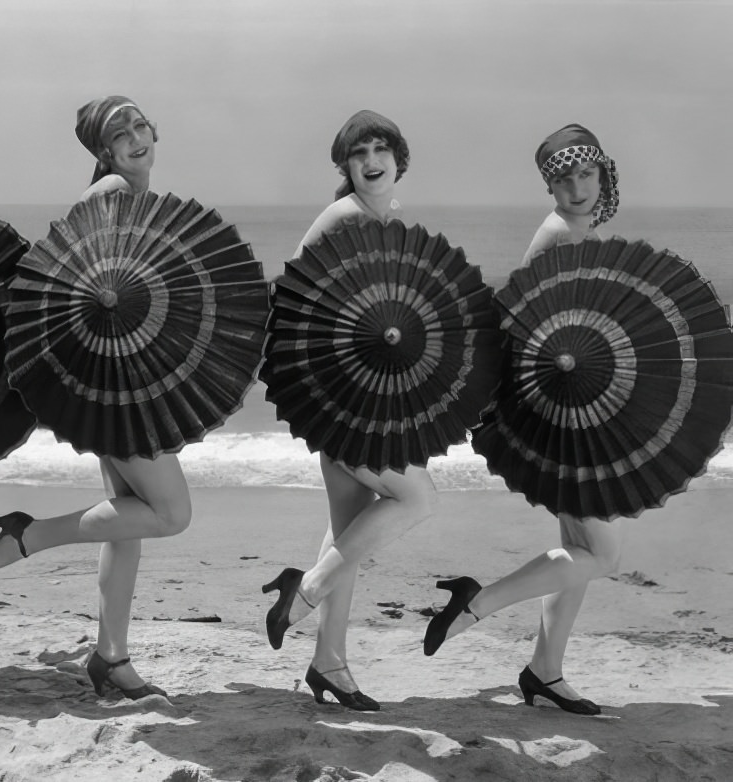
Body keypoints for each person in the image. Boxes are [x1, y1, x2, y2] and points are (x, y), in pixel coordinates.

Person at [0, 96, 189, 702]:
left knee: (127, 523)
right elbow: (76, 288)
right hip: (118, 388)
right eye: (121, 134)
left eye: (140, 125)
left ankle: (110, 657)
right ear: (105, 153)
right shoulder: (112, 192)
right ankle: (27, 536)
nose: (136, 138)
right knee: (172, 513)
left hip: (116, 381)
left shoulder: (131, 196)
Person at [422, 123, 621, 716]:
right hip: (563, 419)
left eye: (586, 174)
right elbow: (528, 325)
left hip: (570, 411)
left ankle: (544, 672)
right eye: (563, 179)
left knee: (576, 550)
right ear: (550, 187)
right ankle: (477, 602)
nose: (577, 188)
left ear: (603, 174)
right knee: (604, 555)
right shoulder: (563, 233)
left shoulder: (578, 229)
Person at [261, 110, 437, 712]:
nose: (370, 160)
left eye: (380, 147)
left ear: (399, 157)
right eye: (357, 153)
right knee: (419, 497)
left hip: (367, 401)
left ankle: (329, 665)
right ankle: (303, 591)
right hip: (343, 404)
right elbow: (293, 303)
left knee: (349, 536)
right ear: (345, 166)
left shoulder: (388, 220)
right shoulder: (342, 217)